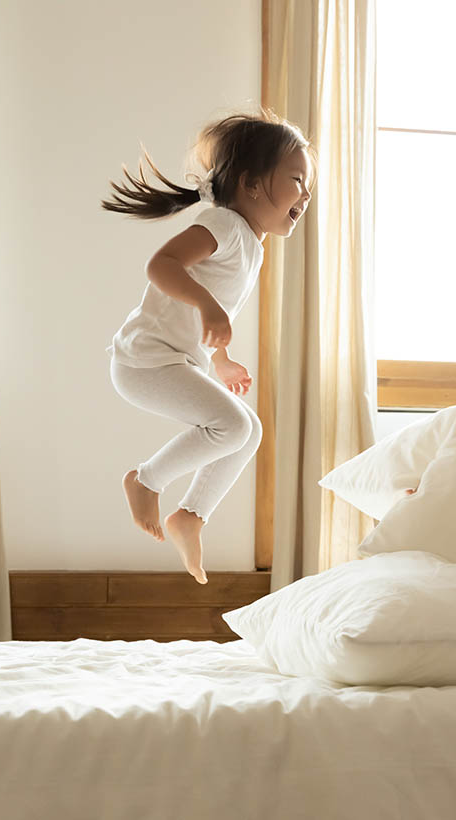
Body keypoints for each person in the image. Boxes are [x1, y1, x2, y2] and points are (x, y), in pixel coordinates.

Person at [103, 111, 313, 585]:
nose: (306, 194)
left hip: (170, 360)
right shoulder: (222, 223)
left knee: (248, 430)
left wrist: (219, 357)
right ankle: (146, 480)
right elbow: (162, 264)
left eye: (309, 186)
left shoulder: (249, 244)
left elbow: (208, 313)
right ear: (253, 184)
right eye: (297, 180)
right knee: (233, 425)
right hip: (144, 361)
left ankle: (191, 517)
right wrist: (207, 306)